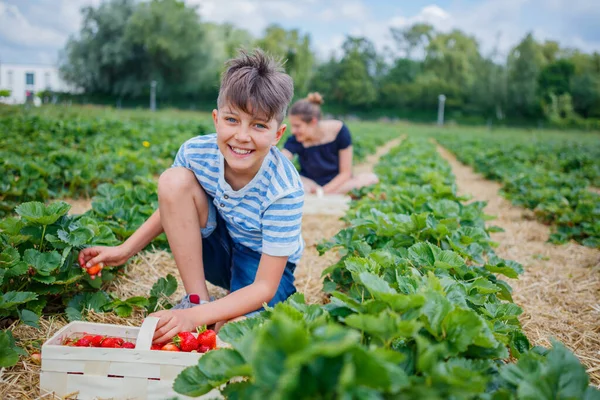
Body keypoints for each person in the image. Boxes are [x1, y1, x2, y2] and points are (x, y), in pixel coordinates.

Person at [77, 49, 304, 344]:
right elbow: (173, 205)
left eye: (259, 125)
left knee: (232, 329)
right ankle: (197, 300)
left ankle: (202, 313)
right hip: (218, 246)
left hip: (261, 262)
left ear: (277, 134)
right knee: (174, 181)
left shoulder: (284, 188)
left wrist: (193, 322)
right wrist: (125, 250)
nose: (242, 136)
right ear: (216, 119)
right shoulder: (196, 153)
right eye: (232, 120)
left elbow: (263, 287)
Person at [281, 93, 379, 195]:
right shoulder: (296, 139)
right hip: (310, 184)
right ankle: (322, 194)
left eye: (297, 126)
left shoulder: (340, 131)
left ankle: (320, 194)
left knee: (371, 179)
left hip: (337, 183)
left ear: (313, 122)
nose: (293, 131)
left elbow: (345, 173)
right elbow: (281, 161)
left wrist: (323, 191)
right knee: (294, 180)